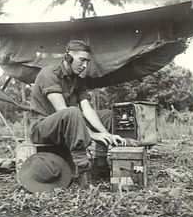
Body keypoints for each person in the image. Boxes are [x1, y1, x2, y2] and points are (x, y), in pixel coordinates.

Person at [29, 40, 127, 188]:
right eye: (82, 60)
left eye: (87, 62)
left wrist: (107, 135)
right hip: (42, 129)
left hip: (67, 127)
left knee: (106, 114)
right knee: (72, 112)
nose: (85, 66)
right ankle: (83, 173)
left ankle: (100, 164)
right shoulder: (48, 73)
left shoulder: (78, 81)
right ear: (67, 57)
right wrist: (92, 135)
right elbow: (63, 111)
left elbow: (87, 110)